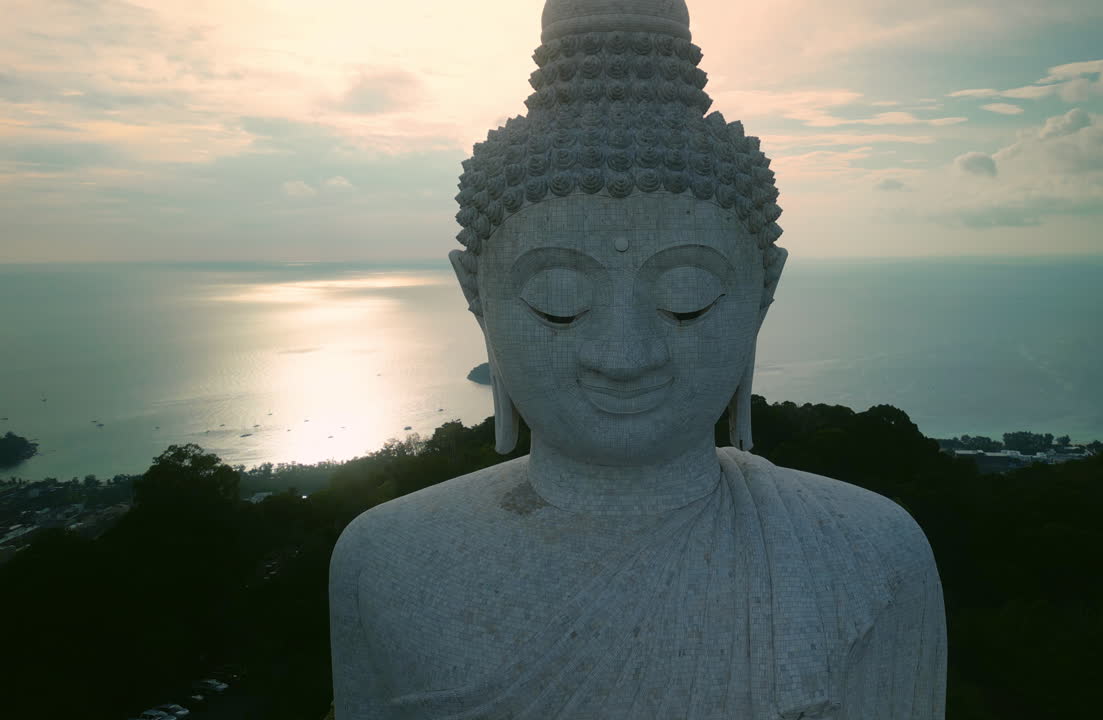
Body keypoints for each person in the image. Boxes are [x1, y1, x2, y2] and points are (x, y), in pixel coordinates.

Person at [330, 2, 946, 717]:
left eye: (687, 301)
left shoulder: (865, 554)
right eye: (558, 304)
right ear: (476, 293)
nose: (624, 355)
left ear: (764, 291)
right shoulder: (389, 560)